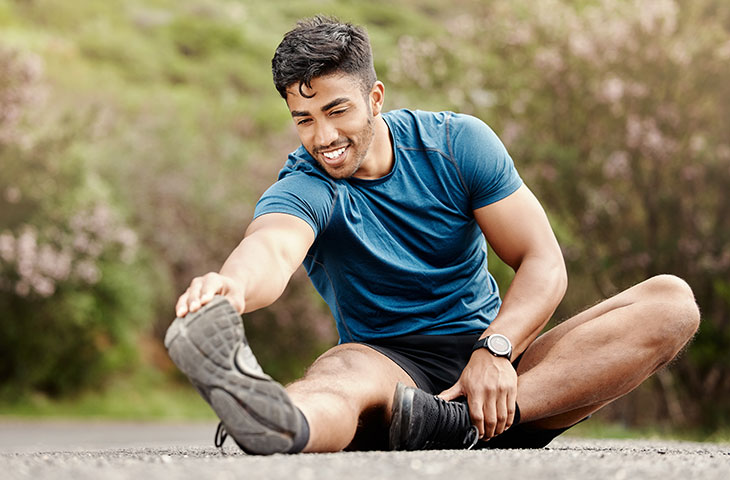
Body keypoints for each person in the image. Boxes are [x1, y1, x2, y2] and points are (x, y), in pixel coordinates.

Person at [164, 16, 700, 455]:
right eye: (303, 119)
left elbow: (542, 260)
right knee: (338, 376)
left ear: (375, 97)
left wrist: (496, 349)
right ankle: (277, 423)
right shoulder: (308, 186)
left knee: (672, 303)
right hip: (390, 373)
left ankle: (453, 423)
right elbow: (273, 247)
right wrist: (231, 287)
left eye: (336, 110)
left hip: (509, 375)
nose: (322, 137)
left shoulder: (457, 144)